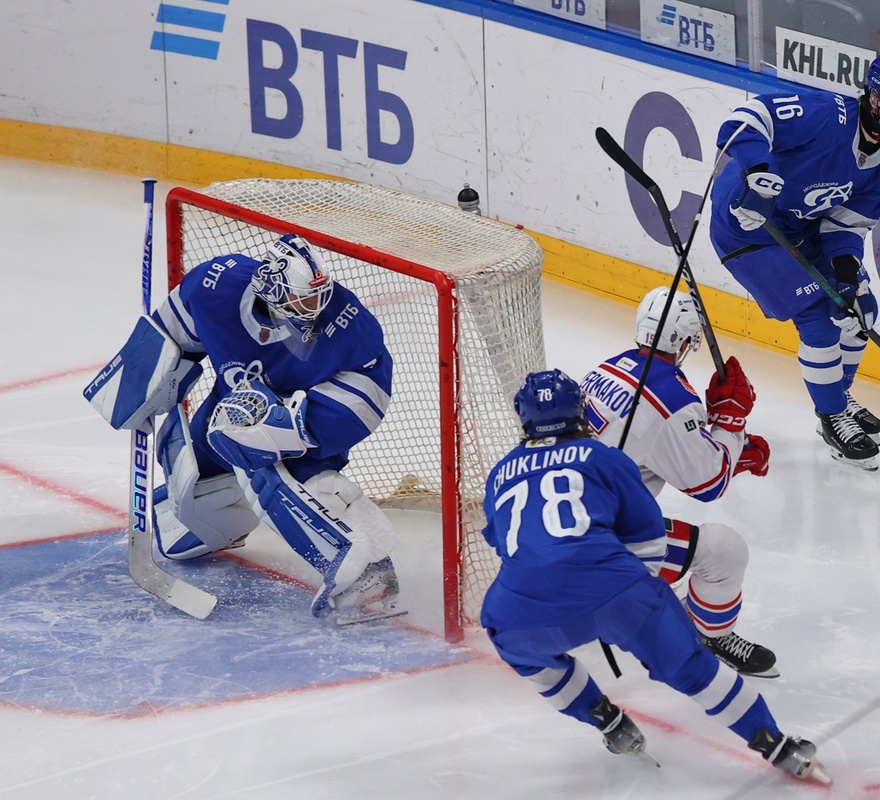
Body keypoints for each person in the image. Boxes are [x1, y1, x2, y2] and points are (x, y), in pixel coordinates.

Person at [480, 369, 831, 784]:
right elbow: (648, 543)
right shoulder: (605, 458)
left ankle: (608, 723)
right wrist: (631, 609)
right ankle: (777, 745)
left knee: (527, 655)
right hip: (618, 591)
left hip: (518, 608)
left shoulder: (500, 473)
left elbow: (507, 546)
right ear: (579, 411)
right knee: (691, 668)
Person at [86, 233, 402, 624]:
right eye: (302, 299)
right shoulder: (214, 288)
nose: (313, 307)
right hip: (231, 404)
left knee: (253, 443)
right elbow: (169, 336)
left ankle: (360, 567)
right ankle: (242, 517)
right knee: (185, 509)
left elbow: (367, 392)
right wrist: (141, 383)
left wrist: (291, 426)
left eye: (317, 296)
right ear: (270, 290)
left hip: (321, 408)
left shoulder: (344, 320)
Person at [708, 52, 880, 471]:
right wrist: (756, 171)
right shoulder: (826, 116)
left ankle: (838, 397)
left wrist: (847, 280)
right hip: (747, 227)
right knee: (818, 318)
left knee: (862, 309)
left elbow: (844, 226)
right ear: (876, 101)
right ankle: (831, 419)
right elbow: (746, 117)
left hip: (803, 230)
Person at [580, 286, 777, 678]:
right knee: (724, 551)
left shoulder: (606, 369)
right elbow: (709, 485)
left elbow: (657, 450)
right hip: (595, 553)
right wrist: (730, 423)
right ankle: (711, 636)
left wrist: (725, 446)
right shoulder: (673, 400)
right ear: (686, 340)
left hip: (550, 525)